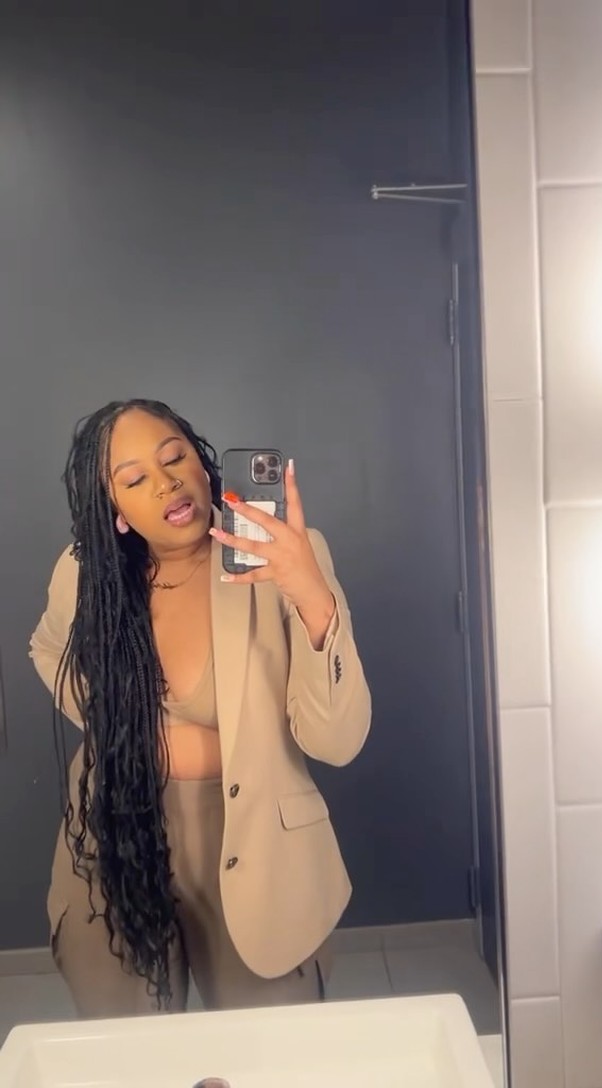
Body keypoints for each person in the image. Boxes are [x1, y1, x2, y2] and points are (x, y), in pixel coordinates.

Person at [29, 398, 371, 1018]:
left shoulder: (285, 556)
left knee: (264, 1053)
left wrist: (311, 595)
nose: (166, 483)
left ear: (202, 461)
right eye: (135, 479)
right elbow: (50, 649)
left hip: (257, 846)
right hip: (114, 833)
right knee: (130, 1051)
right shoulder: (85, 573)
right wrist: (121, 722)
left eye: (174, 457)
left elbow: (338, 740)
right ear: (115, 509)